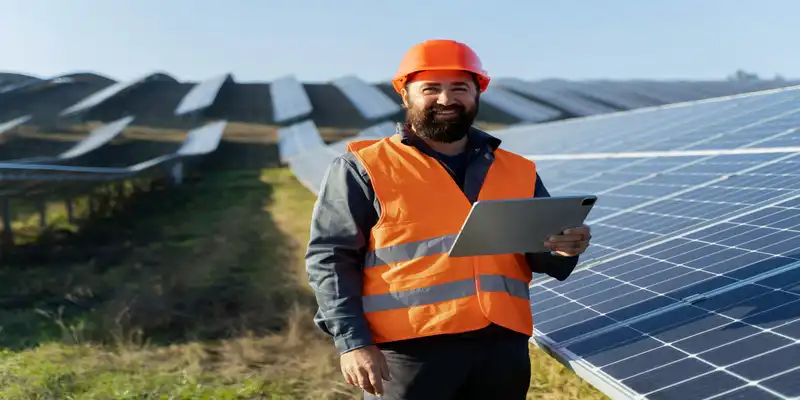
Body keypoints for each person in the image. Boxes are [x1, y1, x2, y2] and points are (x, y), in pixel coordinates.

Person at [305, 39, 592, 400]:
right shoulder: (363, 168)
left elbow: (539, 253)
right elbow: (331, 259)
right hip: (409, 351)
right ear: (406, 96)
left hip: (501, 348)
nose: (445, 99)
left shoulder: (517, 169)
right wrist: (352, 343)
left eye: (459, 88)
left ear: (477, 94)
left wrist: (565, 248)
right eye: (431, 89)